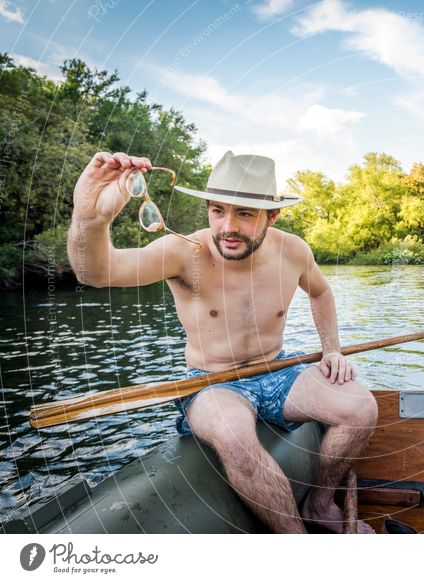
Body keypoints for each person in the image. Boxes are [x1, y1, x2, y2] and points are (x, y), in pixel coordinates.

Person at [67, 150, 378, 534]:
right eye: (218, 211)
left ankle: (319, 504)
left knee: (361, 408)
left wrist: (332, 348)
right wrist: (91, 218)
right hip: (213, 383)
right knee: (235, 439)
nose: (227, 227)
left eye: (244, 214)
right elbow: (96, 273)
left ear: (272, 216)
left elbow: (321, 293)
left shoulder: (294, 251)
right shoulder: (183, 253)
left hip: (277, 370)